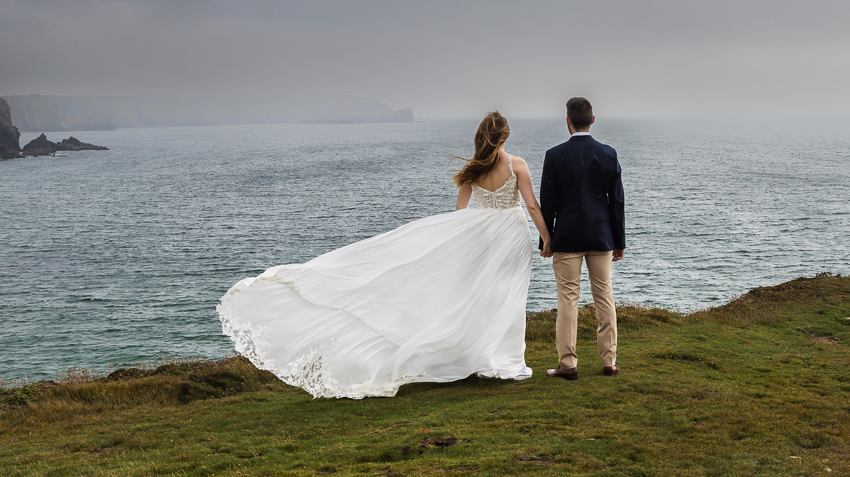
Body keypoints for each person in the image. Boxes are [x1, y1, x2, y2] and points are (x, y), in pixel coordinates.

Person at [215, 111, 548, 398]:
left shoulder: (474, 170)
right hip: (512, 235)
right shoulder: (517, 165)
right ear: (505, 136)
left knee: (480, 296)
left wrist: (466, 237)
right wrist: (547, 237)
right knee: (508, 295)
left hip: (481, 238)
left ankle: (486, 358)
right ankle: (504, 361)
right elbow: (531, 205)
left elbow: (460, 211)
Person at [538, 96, 626, 380]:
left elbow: (547, 203)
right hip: (601, 235)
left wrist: (546, 240)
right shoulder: (608, 153)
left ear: (568, 121)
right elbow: (617, 202)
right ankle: (609, 361)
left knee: (567, 299)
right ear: (592, 120)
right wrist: (619, 240)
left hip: (566, 236)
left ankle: (568, 364)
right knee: (604, 296)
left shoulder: (554, 155)